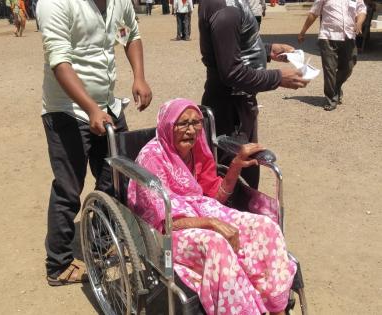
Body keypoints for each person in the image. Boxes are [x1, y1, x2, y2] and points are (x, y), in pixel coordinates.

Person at [128, 99, 296, 315]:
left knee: (265, 227)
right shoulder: (151, 158)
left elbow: (216, 195)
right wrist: (211, 223)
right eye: (183, 124)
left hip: (204, 210)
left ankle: (274, 307)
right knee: (216, 243)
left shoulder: (197, 148)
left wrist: (235, 165)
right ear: (168, 126)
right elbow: (164, 221)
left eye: (196, 122)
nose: (191, 131)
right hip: (168, 231)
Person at [37, 0, 152, 286]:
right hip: (67, 110)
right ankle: (58, 263)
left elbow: (130, 35)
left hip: (107, 106)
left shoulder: (119, 2)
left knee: (116, 176)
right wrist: (90, 109)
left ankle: (100, 242)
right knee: (68, 187)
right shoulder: (55, 4)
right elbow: (59, 62)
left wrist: (139, 76)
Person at [198, 0, 308, 189]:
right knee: (236, 182)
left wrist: (267, 50)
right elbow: (231, 72)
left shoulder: (231, 5)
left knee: (244, 174)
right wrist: (278, 78)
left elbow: (231, 46)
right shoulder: (226, 9)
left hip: (237, 105)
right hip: (231, 111)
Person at [298, 0, 367, 111]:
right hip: (328, 36)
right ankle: (331, 99)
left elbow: (362, 10)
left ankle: (336, 87)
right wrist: (303, 31)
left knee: (349, 66)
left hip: (348, 36)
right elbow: (314, 13)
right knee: (329, 69)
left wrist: (359, 23)